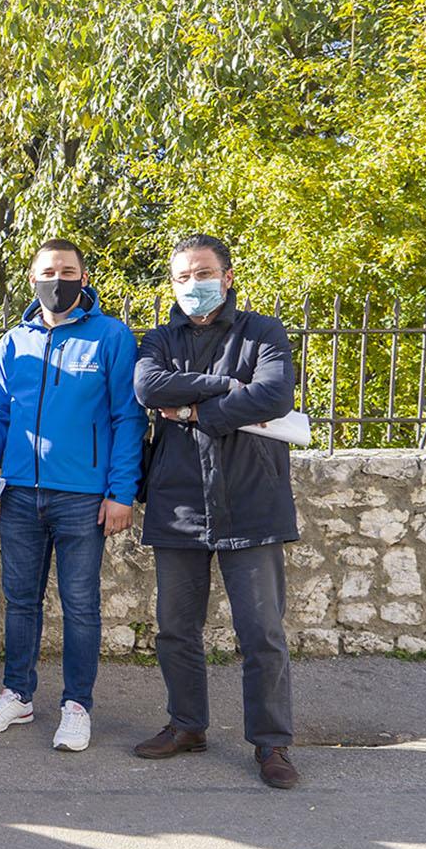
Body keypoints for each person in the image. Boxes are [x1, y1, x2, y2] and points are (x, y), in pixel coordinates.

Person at [133, 234, 301, 789]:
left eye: (202, 274)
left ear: (226, 277)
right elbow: (146, 386)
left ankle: (272, 745)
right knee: (176, 630)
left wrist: (196, 411)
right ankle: (187, 726)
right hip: (177, 502)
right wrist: (228, 387)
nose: (192, 286)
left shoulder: (264, 332)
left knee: (262, 634)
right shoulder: (158, 338)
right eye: (182, 277)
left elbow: (275, 395)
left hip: (252, 503)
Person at [0, 239, 144, 751]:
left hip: (84, 497)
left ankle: (76, 706)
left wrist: (121, 493)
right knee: (20, 600)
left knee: (80, 604)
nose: (58, 279)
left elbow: (127, 419)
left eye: (68, 271)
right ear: (32, 279)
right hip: (21, 492)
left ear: (84, 278)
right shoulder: (14, 341)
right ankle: (18, 695)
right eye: (48, 271)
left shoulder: (111, 337)